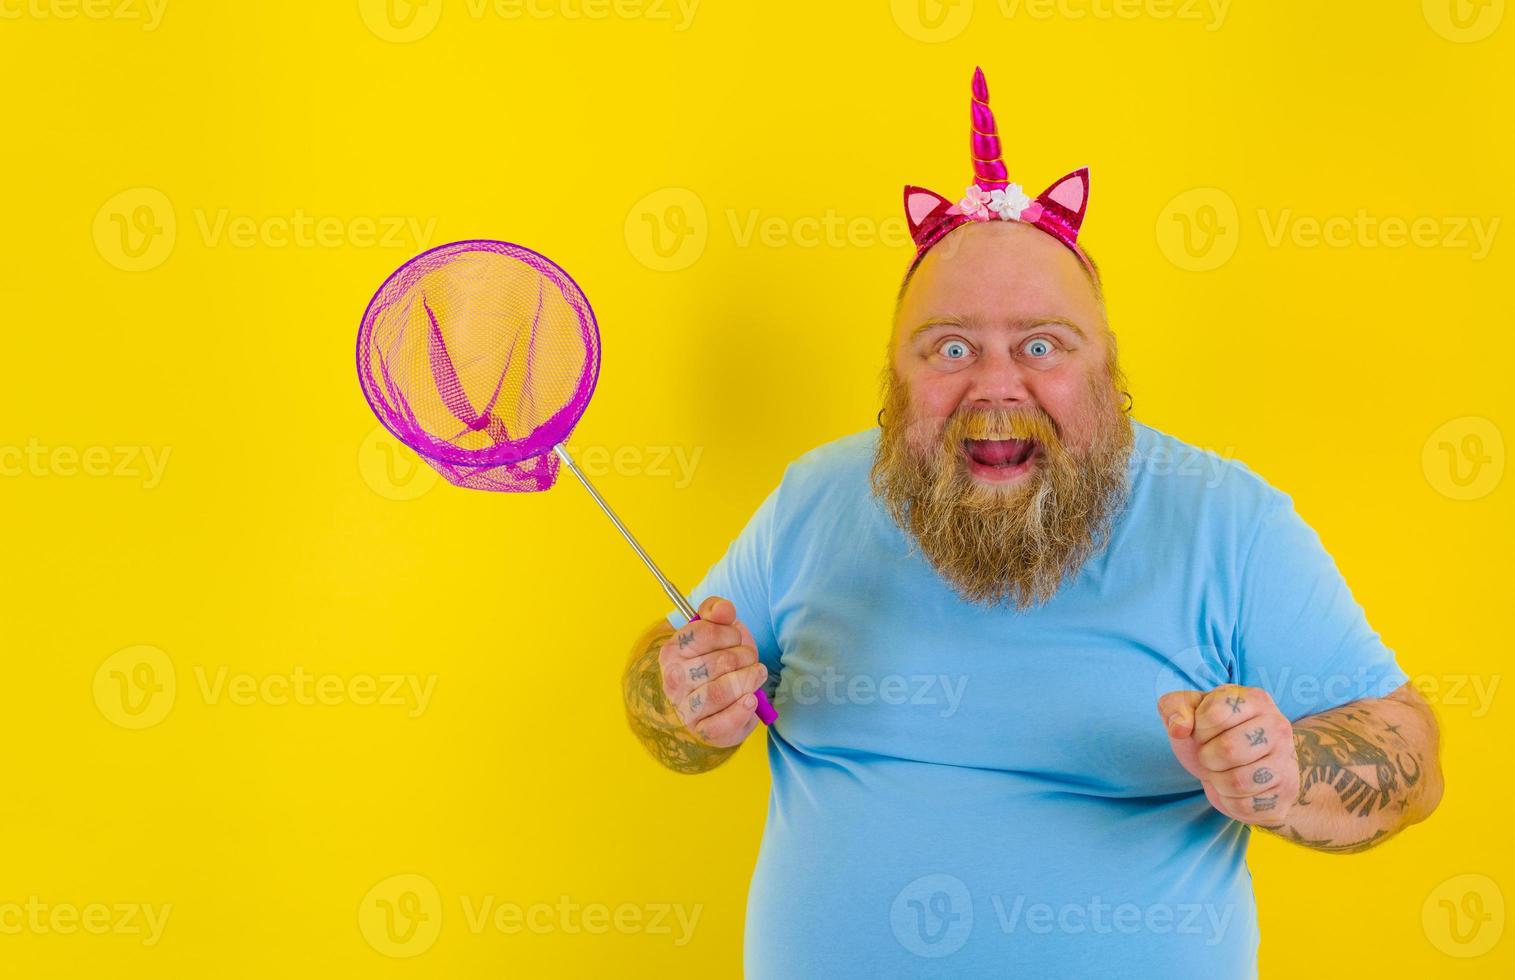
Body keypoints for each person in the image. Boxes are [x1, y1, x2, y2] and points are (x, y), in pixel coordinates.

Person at [619, 68, 1442, 978]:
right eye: (952, 348)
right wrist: (683, 699)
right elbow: (666, 709)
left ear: (1107, 371)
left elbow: (1408, 755)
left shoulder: (1225, 521)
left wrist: (1289, 777)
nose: (997, 385)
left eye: (1041, 346)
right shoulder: (815, 497)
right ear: (895, 378)